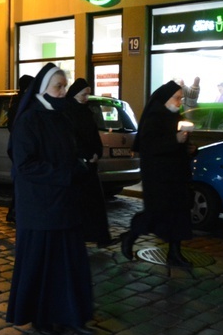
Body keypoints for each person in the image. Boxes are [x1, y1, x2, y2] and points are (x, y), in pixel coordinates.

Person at [6, 63, 93, 335]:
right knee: (43, 267)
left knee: (67, 265)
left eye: (65, 86)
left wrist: (78, 164)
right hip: (40, 207)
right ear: (44, 88)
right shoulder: (29, 119)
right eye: (59, 86)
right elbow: (25, 165)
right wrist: (65, 173)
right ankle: (43, 317)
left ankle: (71, 314)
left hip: (64, 205)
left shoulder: (62, 116)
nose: (63, 91)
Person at [119, 80, 196, 268]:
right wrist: (175, 140)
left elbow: (179, 145)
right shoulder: (154, 116)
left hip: (177, 176)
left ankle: (175, 253)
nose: (179, 102)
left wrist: (190, 148)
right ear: (165, 99)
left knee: (179, 215)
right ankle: (130, 236)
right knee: (156, 214)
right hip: (159, 178)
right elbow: (150, 146)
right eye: (177, 98)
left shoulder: (175, 116)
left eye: (181, 98)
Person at [65, 78, 114, 248]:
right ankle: (82, 236)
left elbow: (93, 134)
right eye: (83, 94)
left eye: (87, 94)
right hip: (79, 165)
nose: (86, 97)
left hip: (90, 165)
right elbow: (72, 139)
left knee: (95, 204)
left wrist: (97, 152)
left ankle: (100, 236)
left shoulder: (86, 111)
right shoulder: (69, 112)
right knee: (81, 204)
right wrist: (86, 155)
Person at [5, 74, 33, 223]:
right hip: (19, 147)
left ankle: (14, 211)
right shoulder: (20, 104)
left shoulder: (19, 103)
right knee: (21, 181)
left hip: (19, 147)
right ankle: (14, 212)